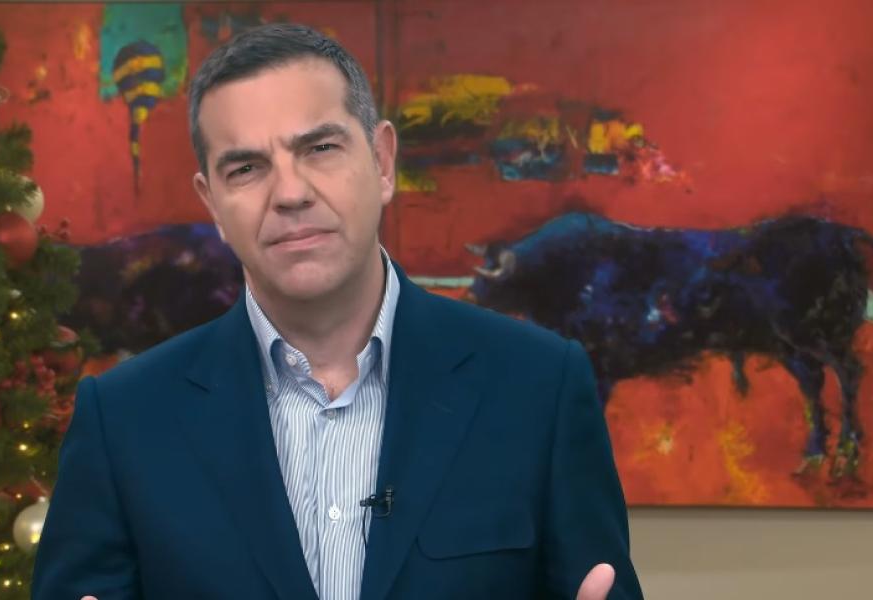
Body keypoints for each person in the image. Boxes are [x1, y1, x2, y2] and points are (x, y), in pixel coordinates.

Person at [32, 23, 642, 600]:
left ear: (382, 161)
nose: (291, 193)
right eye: (246, 168)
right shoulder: (124, 421)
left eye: (320, 148)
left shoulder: (540, 387)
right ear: (212, 203)